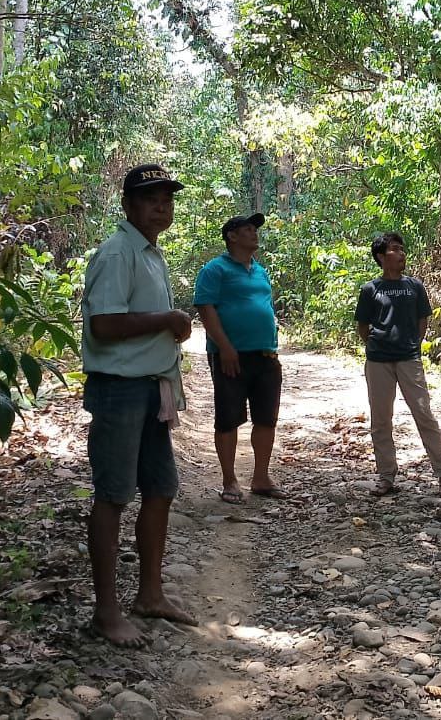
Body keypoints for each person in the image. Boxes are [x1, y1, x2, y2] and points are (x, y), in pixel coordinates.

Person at [81, 162, 197, 647]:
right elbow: (105, 325)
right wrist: (167, 318)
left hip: (152, 386)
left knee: (161, 487)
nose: (161, 205)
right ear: (128, 205)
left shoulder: (151, 254)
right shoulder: (116, 253)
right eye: (150, 197)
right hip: (120, 389)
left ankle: (150, 594)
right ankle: (105, 611)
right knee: (112, 495)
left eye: (167, 198)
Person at [193, 213, 286, 503]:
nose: (254, 234)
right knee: (228, 418)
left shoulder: (260, 271)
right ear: (231, 236)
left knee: (266, 418)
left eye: (254, 229)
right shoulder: (214, 270)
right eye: (247, 229)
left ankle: (261, 477)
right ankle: (230, 480)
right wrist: (225, 347)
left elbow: (263, 305)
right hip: (230, 356)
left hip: (265, 354)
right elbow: (206, 309)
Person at [355, 232, 441, 498]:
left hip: (409, 359)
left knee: (424, 415)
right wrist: (378, 342)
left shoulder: (415, 286)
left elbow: (423, 320)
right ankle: (386, 476)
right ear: (380, 256)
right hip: (378, 361)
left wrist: (413, 344)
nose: (401, 254)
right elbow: (363, 326)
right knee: (381, 420)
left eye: (402, 249)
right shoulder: (370, 289)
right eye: (395, 249)